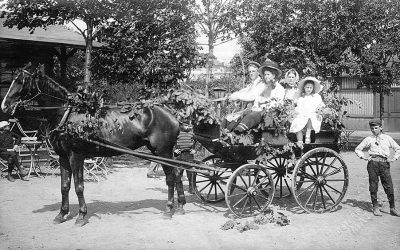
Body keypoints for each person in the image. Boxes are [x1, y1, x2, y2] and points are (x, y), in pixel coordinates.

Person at [354, 119, 400, 217]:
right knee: (373, 185)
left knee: (389, 185)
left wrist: (394, 158)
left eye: (376, 128)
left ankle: (392, 208)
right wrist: (363, 156)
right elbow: (358, 149)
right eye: (372, 128)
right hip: (373, 164)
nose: (374, 130)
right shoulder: (368, 139)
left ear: (381, 128)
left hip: (384, 164)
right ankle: (375, 207)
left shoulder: (387, 138)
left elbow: (397, 148)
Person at [233, 59, 285, 133]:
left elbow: (278, 104)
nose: (266, 76)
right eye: (265, 74)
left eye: (268, 74)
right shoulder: (261, 86)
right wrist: (237, 96)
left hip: (269, 112)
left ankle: (237, 132)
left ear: (273, 75)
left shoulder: (279, 88)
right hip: (257, 109)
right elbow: (253, 96)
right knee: (240, 115)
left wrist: (264, 107)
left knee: (252, 116)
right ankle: (228, 132)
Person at [221, 61, 263, 131]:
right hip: (246, 110)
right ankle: (220, 134)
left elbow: (251, 96)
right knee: (228, 118)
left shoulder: (261, 84)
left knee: (233, 121)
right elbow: (243, 91)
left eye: (253, 71)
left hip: (255, 111)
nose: (251, 73)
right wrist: (231, 95)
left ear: (258, 72)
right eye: (249, 72)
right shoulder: (251, 85)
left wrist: (236, 96)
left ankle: (228, 135)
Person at [289, 77, 324, 147]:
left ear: (313, 88)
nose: (309, 89)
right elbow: (296, 106)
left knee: (310, 117)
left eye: (311, 88)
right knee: (297, 123)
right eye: (307, 87)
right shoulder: (301, 97)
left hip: (312, 115)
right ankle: (300, 141)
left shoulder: (316, 97)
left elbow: (321, 105)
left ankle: (308, 135)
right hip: (301, 115)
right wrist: (294, 111)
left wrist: (319, 109)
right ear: (304, 87)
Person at [174, 122, 196, 194]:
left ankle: (191, 188)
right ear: (181, 126)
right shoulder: (177, 134)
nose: (187, 127)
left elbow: (197, 142)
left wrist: (194, 150)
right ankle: (177, 187)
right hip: (179, 155)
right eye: (186, 125)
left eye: (188, 126)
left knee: (190, 173)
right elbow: (172, 142)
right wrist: (175, 149)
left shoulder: (191, 134)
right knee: (178, 173)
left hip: (189, 154)